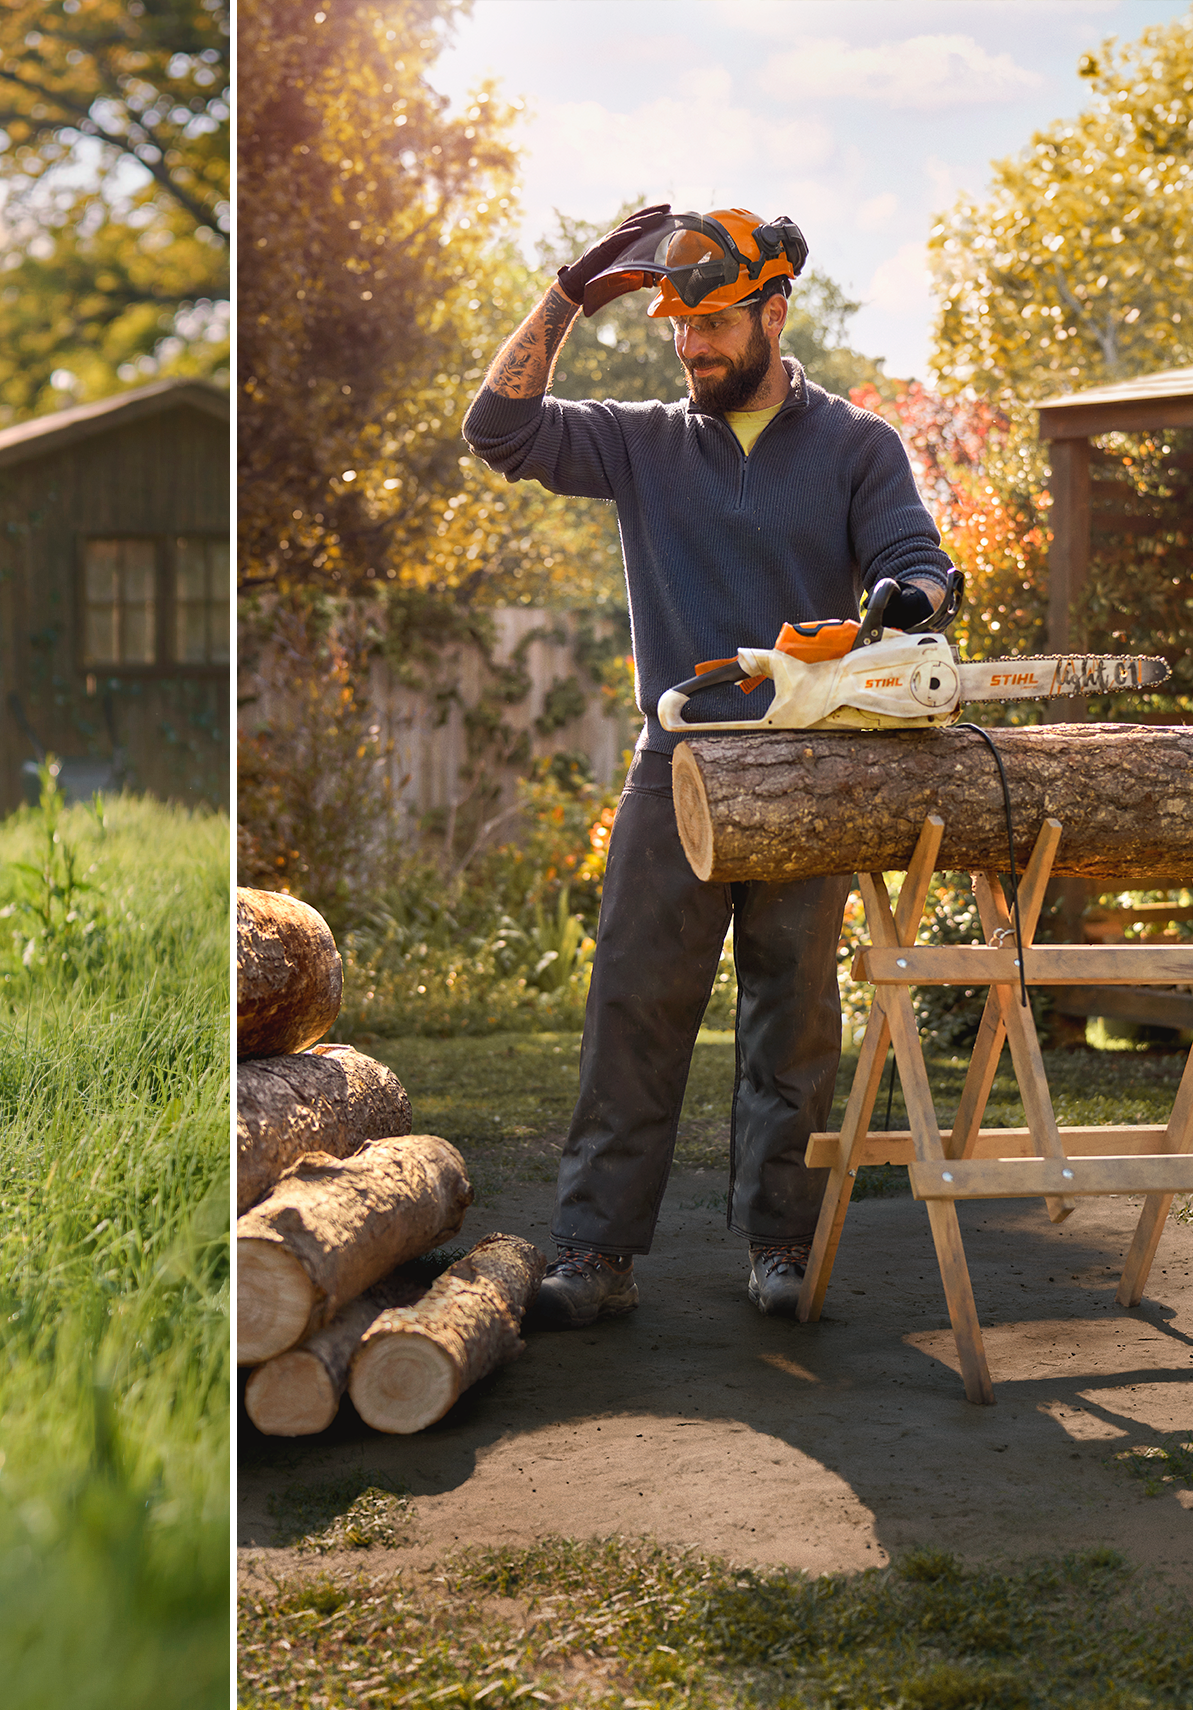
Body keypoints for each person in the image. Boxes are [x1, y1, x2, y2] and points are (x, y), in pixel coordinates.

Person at [462, 202, 961, 1326]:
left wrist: (907, 601)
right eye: (677, 330)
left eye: (715, 326)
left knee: (791, 1018)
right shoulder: (641, 441)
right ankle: (594, 1253)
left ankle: (781, 1243)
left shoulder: (854, 446)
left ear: (774, 311)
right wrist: (568, 295)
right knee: (633, 1006)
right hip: (675, 763)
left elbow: (919, 562)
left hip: (804, 772)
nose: (691, 349)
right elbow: (496, 430)